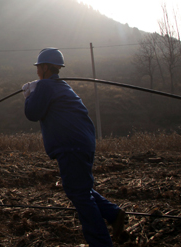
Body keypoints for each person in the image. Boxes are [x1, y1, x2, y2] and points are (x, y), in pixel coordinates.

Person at [23, 48, 126, 246]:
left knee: (79, 194)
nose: (37, 72)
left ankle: (101, 243)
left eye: (38, 68)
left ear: (45, 68)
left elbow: (32, 113)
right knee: (79, 187)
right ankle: (113, 214)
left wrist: (28, 95)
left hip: (70, 146)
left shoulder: (45, 86)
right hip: (83, 143)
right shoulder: (63, 87)